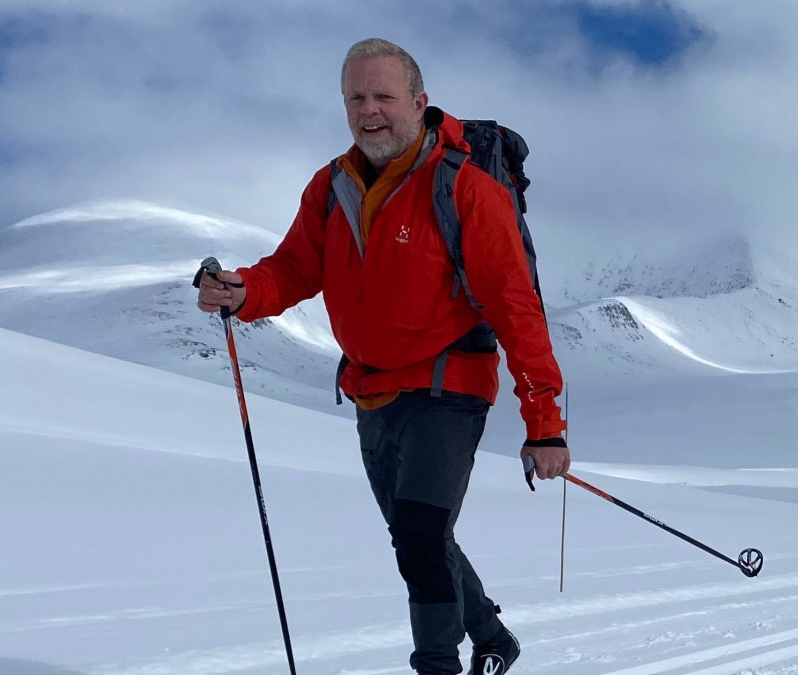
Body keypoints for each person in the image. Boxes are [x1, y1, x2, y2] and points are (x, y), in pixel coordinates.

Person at [195, 37, 566, 675]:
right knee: (418, 536)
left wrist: (545, 423)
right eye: (356, 97)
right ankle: (491, 635)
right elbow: (293, 269)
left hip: (449, 384)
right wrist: (243, 290)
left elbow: (516, 307)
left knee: (420, 537)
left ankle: (436, 665)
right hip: (371, 390)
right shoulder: (332, 185)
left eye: (385, 96)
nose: (371, 110)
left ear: (419, 103)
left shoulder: (467, 190)